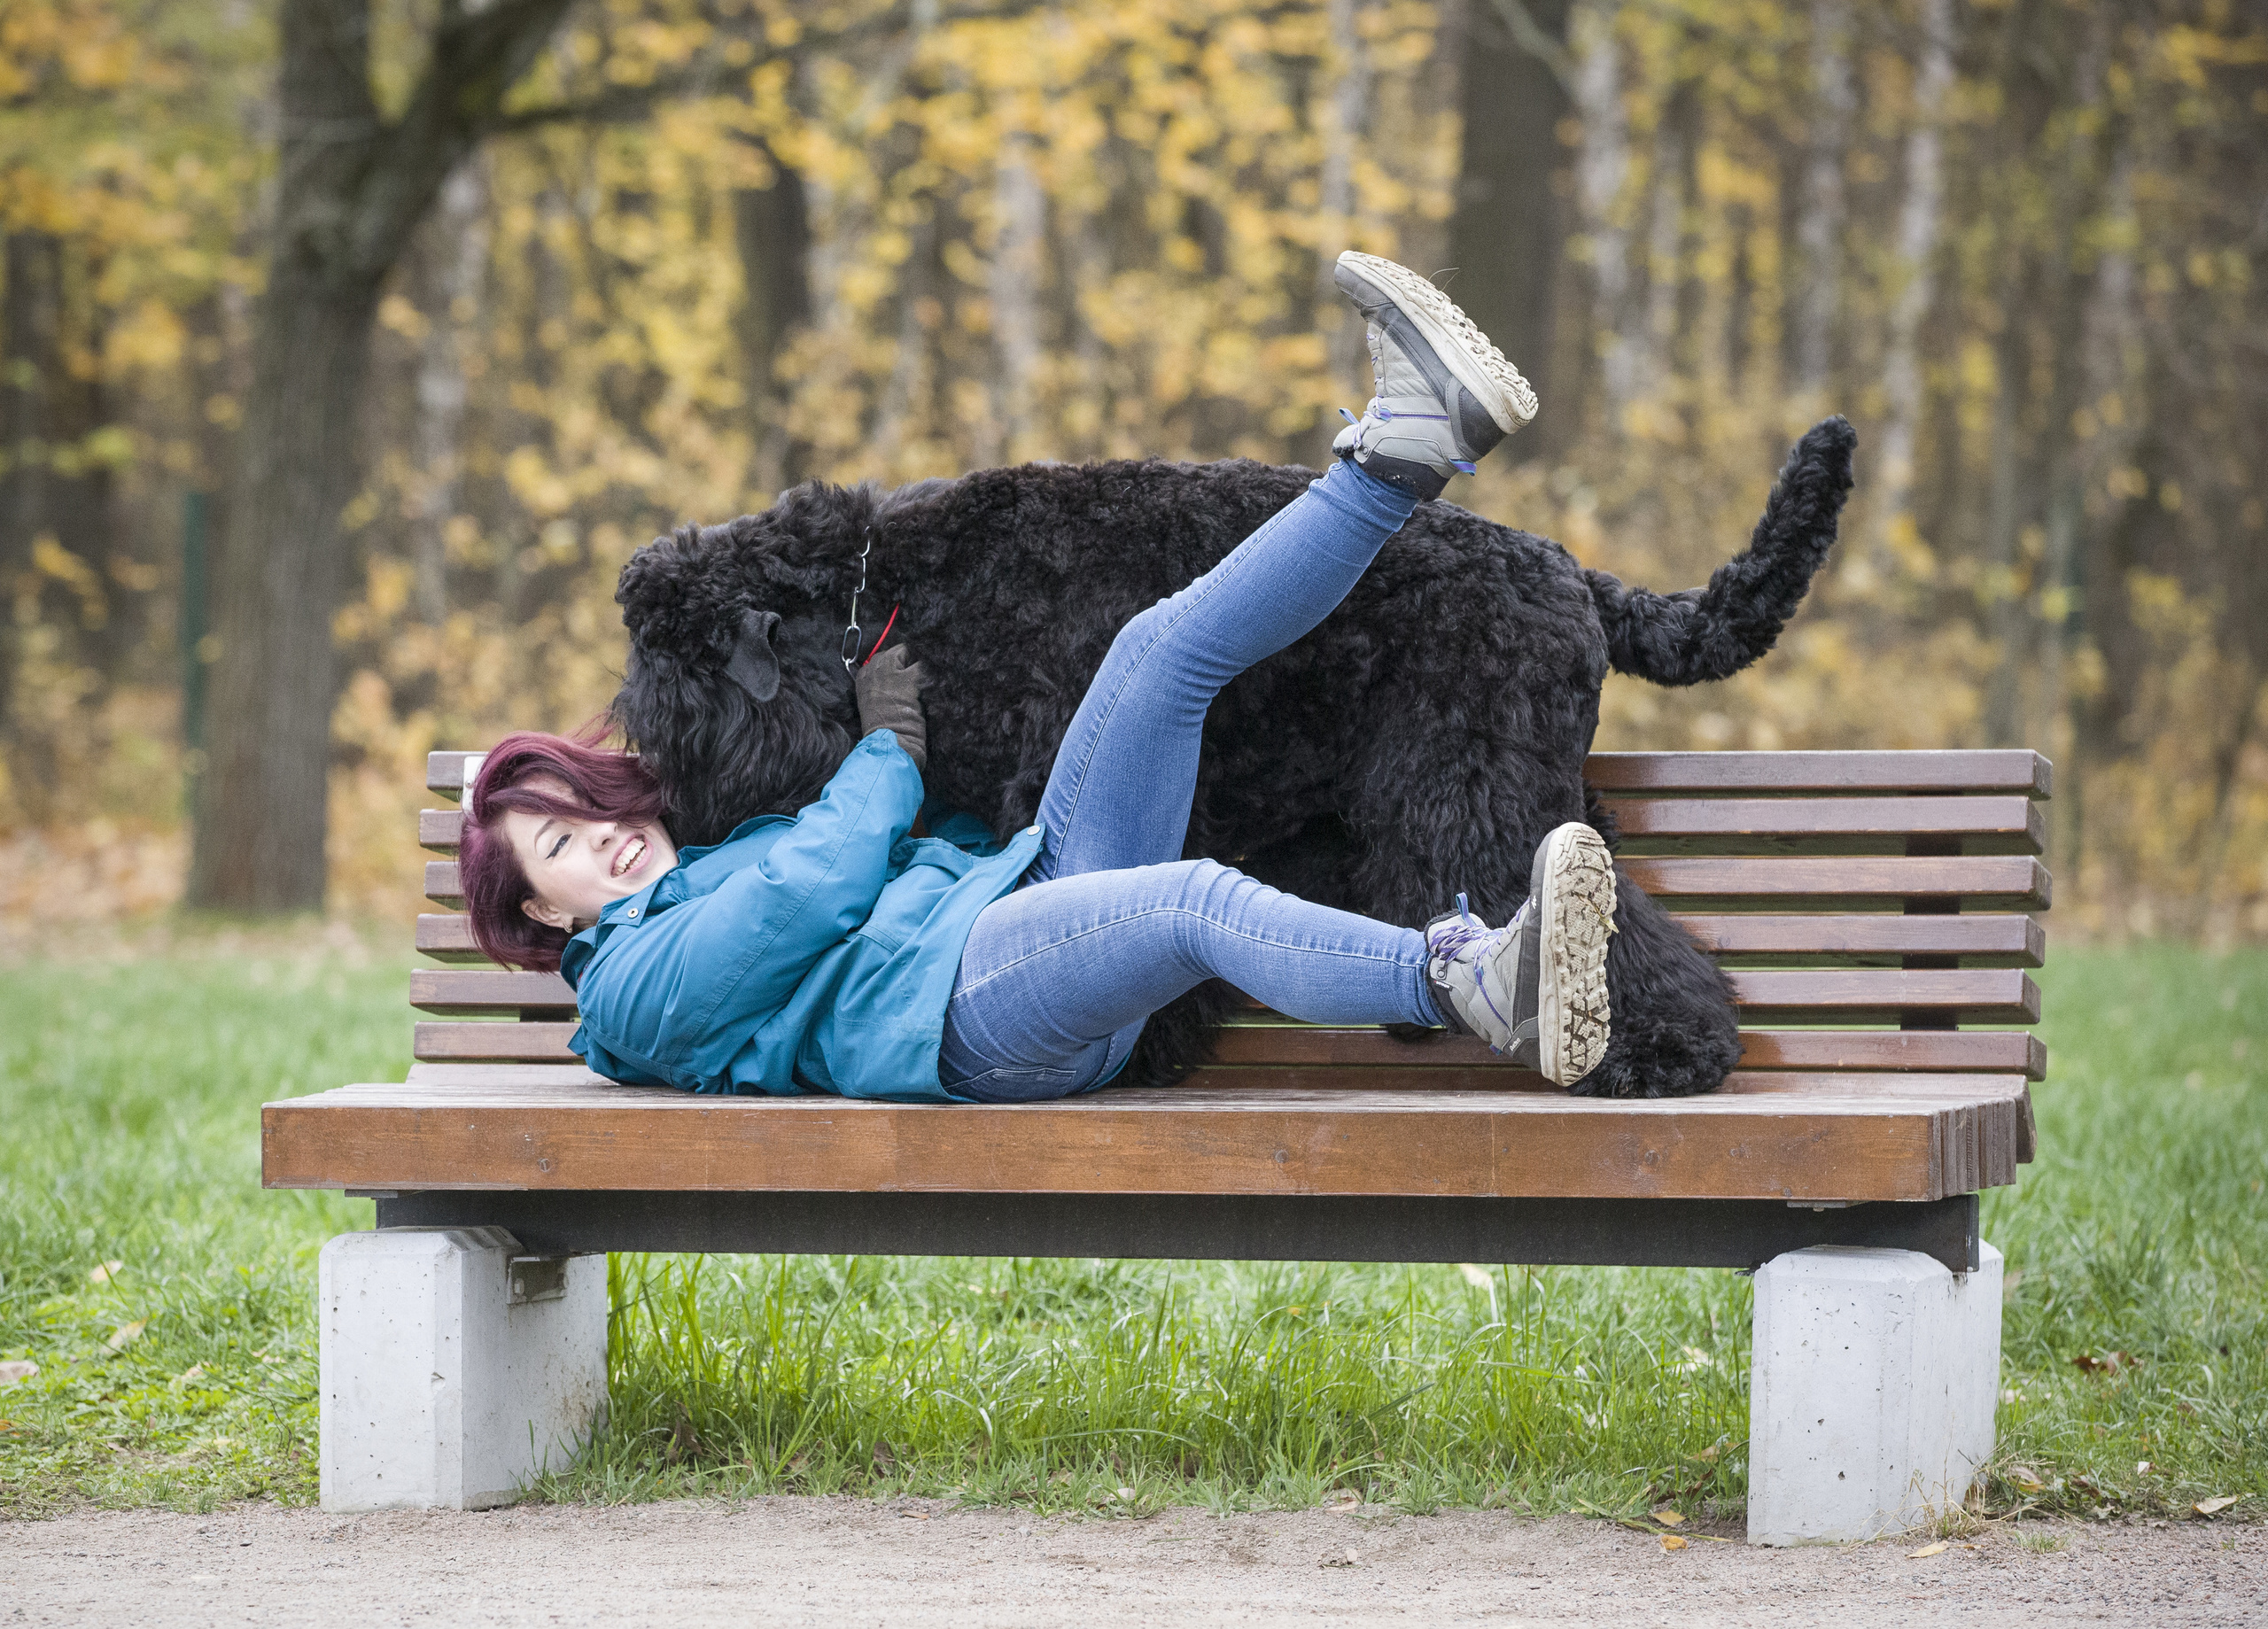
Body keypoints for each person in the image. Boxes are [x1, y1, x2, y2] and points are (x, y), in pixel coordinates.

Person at [459, 252, 1617, 1104]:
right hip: (975, 1017)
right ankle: (1473, 982)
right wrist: (888, 749)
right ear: (542, 918)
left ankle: (1403, 448)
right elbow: (808, 902)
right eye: (556, 852)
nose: (599, 842)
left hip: (1025, 908)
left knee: (1159, 652)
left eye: (585, 816)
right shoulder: (623, 988)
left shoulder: (708, 860)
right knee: (1194, 899)